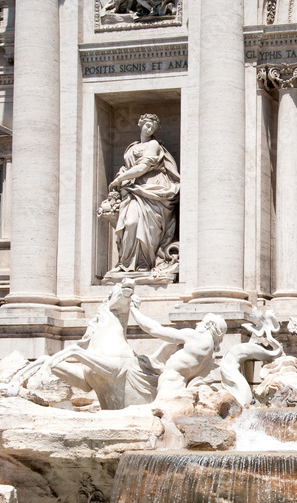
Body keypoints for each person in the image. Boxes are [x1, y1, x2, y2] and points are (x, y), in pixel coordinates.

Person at [106, 114, 181, 273]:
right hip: (133, 189)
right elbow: (129, 167)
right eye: (147, 125)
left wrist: (119, 179)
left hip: (151, 188)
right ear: (140, 124)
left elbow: (143, 168)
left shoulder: (153, 144)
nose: (150, 129)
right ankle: (126, 264)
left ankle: (144, 264)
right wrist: (123, 178)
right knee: (130, 222)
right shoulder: (132, 147)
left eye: (153, 128)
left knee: (146, 227)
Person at [128, 305, 225, 402]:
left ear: (209, 325)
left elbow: (155, 329)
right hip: (180, 389)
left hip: (169, 388)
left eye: (202, 321)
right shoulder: (211, 356)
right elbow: (184, 371)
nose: (197, 323)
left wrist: (133, 309)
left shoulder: (195, 337)